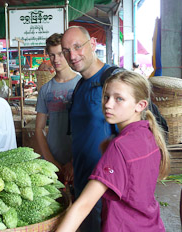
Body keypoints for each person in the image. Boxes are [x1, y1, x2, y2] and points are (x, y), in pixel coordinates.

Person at [56, 70, 170, 232]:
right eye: (106, 97)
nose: (108, 104)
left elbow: (84, 205)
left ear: (140, 105)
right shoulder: (148, 133)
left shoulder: (119, 146)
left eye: (119, 99)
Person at [61, 26, 115, 231]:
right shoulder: (80, 85)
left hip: (107, 189)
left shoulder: (113, 81)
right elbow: (84, 132)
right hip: (83, 183)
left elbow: (133, 136)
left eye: (77, 47)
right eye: (66, 50)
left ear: (92, 44)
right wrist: (74, 163)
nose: (72, 55)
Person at [35, 33, 81, 184]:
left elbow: (88, 126)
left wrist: (74, 161)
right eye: (52, 55)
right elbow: (39, 128)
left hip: (79, 158)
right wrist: (50, 160)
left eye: (60, 54)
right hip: (51, 161)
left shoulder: (81, 84)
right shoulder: (45, 89)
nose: (56, 60)